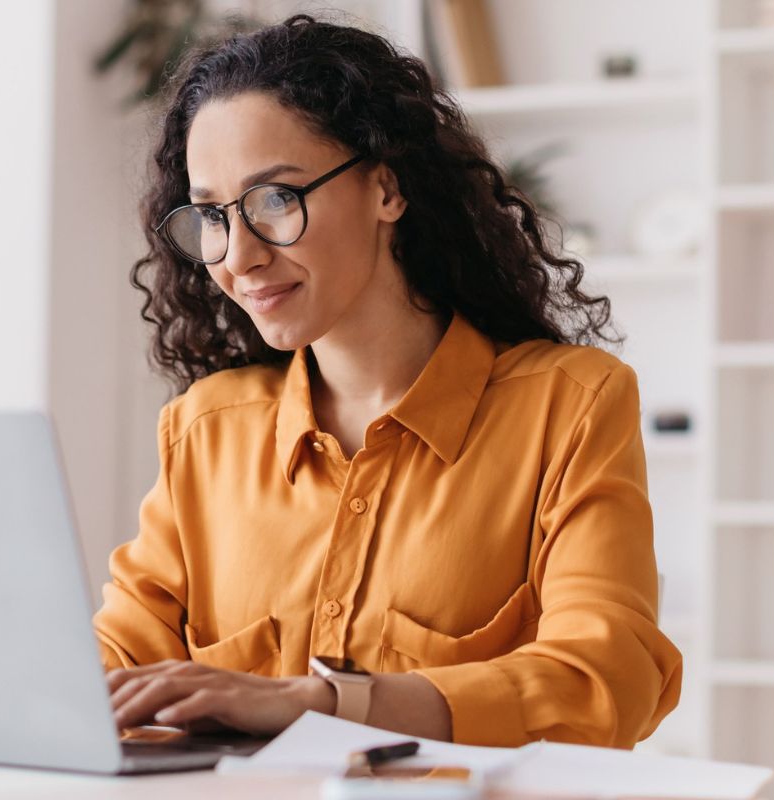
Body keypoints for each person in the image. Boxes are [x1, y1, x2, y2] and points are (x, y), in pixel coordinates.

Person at [93, 15, 679, 749]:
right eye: (212, 214)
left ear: (387, 190)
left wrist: (324, 703)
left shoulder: (570, 405)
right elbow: (115, 672)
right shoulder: (206, 429)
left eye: (276, 198)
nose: (237, 256)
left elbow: (605, 678)